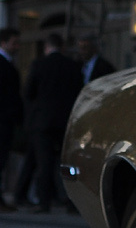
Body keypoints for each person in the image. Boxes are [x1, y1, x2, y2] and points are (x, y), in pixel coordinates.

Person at [20, 34, 81, 213]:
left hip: (43, 121)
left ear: (47, 47)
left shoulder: (39, 65)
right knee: (68, 162)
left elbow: (29, 92)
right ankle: (71, 202)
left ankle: (44, 201)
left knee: (44, 163)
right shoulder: (72, 66)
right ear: (61, 46)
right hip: (65, 120)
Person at [0, 29, 21, 210]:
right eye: (14, 43)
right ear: (4, 42)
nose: (17, 47)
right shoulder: (4, 64)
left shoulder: (8, 64)